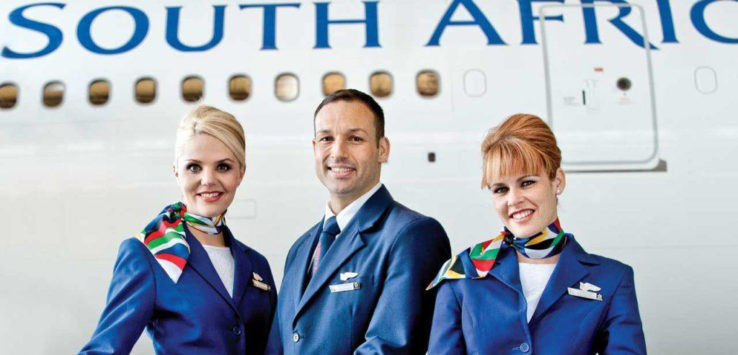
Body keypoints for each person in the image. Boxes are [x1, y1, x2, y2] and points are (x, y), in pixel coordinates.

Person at [427, 114, 646, 354]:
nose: (514, 200)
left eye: (527, 183)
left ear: (557, 181)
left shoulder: (612, 279)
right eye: (500, 189)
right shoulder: (462, 274)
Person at [80, 106, 277, 354]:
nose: (208, 179)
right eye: (194, 167)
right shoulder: (149, 255)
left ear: (241, 173)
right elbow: (103, 349)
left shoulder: (257, 265)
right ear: (176, 172)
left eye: (223, 167)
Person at [266, 89, 451, 354]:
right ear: (315, 148)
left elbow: (391, 347)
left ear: (382, 149)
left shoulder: (413, 236)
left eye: (355, 138)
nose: (338, 152)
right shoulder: (300, 249)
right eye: (326, 138)